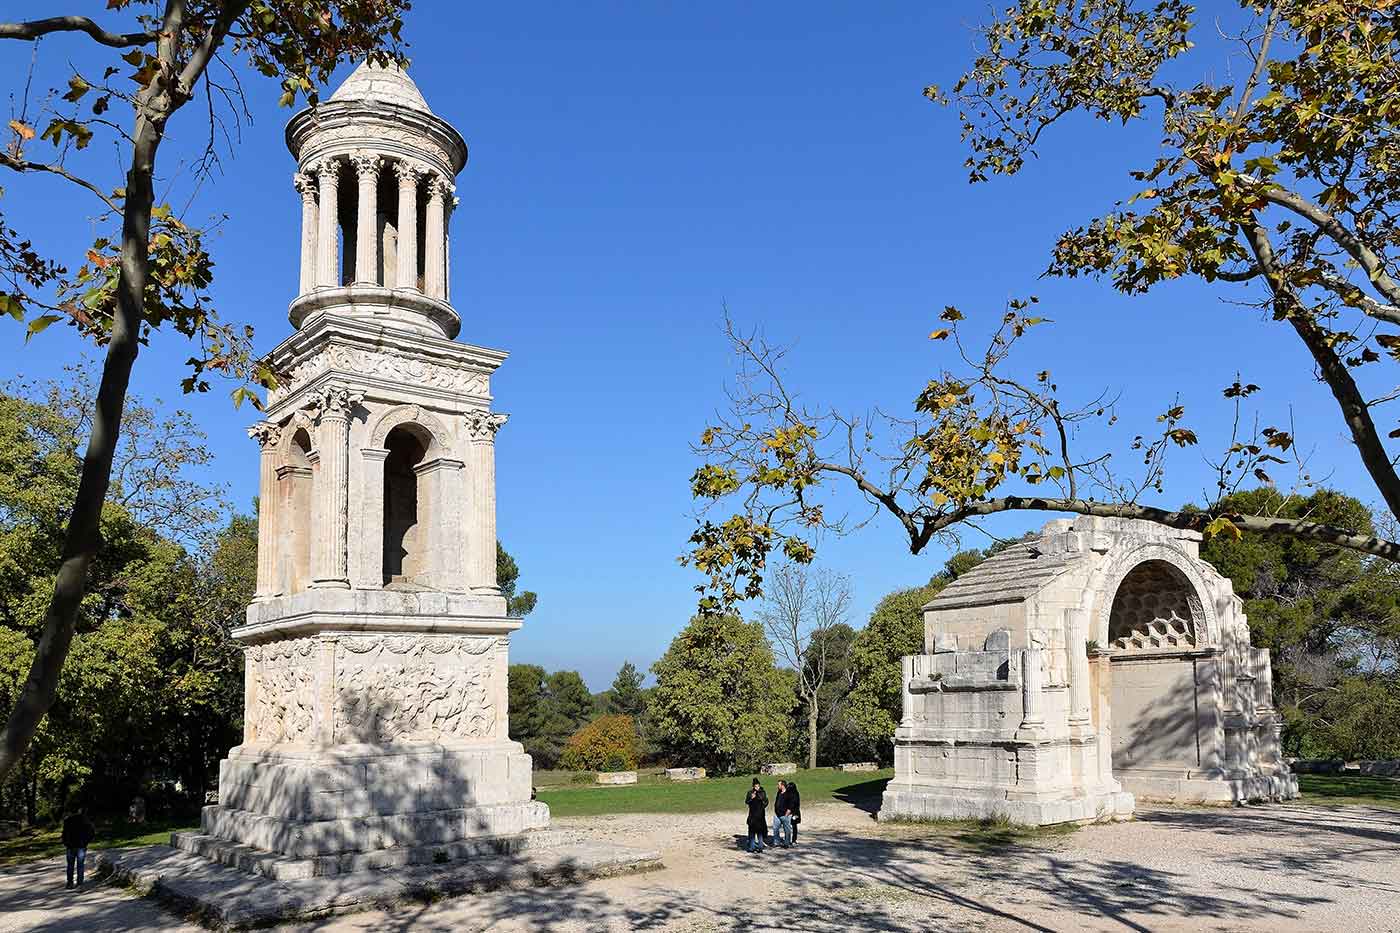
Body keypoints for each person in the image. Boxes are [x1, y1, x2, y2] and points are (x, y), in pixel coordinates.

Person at [62, 804, 95, 890]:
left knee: (70, 865)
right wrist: (86, 842)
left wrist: (66, 843)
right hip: (81, 846)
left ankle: (70, 883)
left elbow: (64, 834)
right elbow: (91, 832)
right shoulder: (84, 819)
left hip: (70, 846)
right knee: (80, 865)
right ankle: (80, 884)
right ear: (79, 810)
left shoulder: (67, 820)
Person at [744, 778, 768, 853]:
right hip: (752, 814)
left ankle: (760, 847)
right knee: (751, 832)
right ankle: (752, 847)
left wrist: (757, 797)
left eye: (758, 786)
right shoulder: (750, 792)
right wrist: (751, 798)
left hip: (760, 815)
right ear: (753, 786)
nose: (757, 787)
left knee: (760, 832)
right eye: (755, 786)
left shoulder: (762, 792)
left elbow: (765, 801)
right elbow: (747, 801)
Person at [771, 780, 793, 848]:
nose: (777, 786)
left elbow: (791, 805)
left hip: (785, 815)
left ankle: (787, 843)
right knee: (775, 828)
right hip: (777, 814)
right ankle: (776, 842)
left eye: (779, 785)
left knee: (787, 829)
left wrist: (787, 814)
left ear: (782, 785)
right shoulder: (779, 792)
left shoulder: (789, 793)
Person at [786, 780, 802, 847]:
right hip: (792, 812)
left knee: (793, 826)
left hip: (794, 813)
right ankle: (790, 840)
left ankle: (793, 840)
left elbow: (794, 804)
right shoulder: (792, 793)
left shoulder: (794, 794)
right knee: (790, 826)